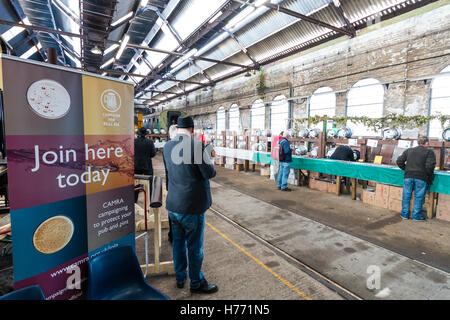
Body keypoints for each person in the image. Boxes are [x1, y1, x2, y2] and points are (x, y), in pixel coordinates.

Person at [163, 116, 218, 294]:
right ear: (192, 129)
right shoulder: (196, 146)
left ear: (177, 129)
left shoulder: (167, 146)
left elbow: (169, 174)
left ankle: (180, 278)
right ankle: (196, 282)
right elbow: (209, 173)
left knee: (178, 244)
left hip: (173, 205)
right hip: (191, 207)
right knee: (195, 247)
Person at [396, 138, 436, 221]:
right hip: (421, 177)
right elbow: (430, 166)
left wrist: (407, 169)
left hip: (408, 176)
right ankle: (416, 216)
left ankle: (404, 214)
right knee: (419, 196)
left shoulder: (409, 150)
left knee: (406, 195)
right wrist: (426, 174)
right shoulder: (429, 152)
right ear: (427, 143)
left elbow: (399, 161)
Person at [134, 127, 156, 203]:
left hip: (136, 166)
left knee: (136, 184)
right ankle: (151, 200)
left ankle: (134, 200)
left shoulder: (134, 142)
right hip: (147, 165)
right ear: (145, 134)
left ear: (138, 134)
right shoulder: (150, 142)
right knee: (149, 184)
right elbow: (153, 154)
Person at [165, 124, 178, 244]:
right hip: (181, 188)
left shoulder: (166, 147)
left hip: (171, 185)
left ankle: (172, 235)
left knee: (173, 214)